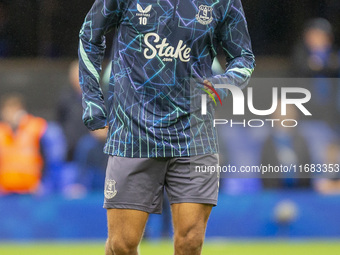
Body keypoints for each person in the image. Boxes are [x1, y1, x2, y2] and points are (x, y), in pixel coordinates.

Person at [78, 0, 255, 254]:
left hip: (194, 133)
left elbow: (244, 57)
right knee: (122, 245)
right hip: (134, 132)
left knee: (191, 242)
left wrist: (224, 83)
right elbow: (89, 35)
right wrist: (92, 97)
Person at [0, 94, 47, 194]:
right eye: (7, 110)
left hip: (31, 188)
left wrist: (44, 182)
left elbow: (47, 156)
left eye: (14, 109)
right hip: (6, 190)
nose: (10, 114)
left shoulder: (36, 127)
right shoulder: (1, 132)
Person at [56, 61, 89, 161]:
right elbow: (59, 120)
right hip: (70, 148)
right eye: (75, 76)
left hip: (89, 149)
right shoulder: (65, 98)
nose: (78, 79)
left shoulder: (97, 98)